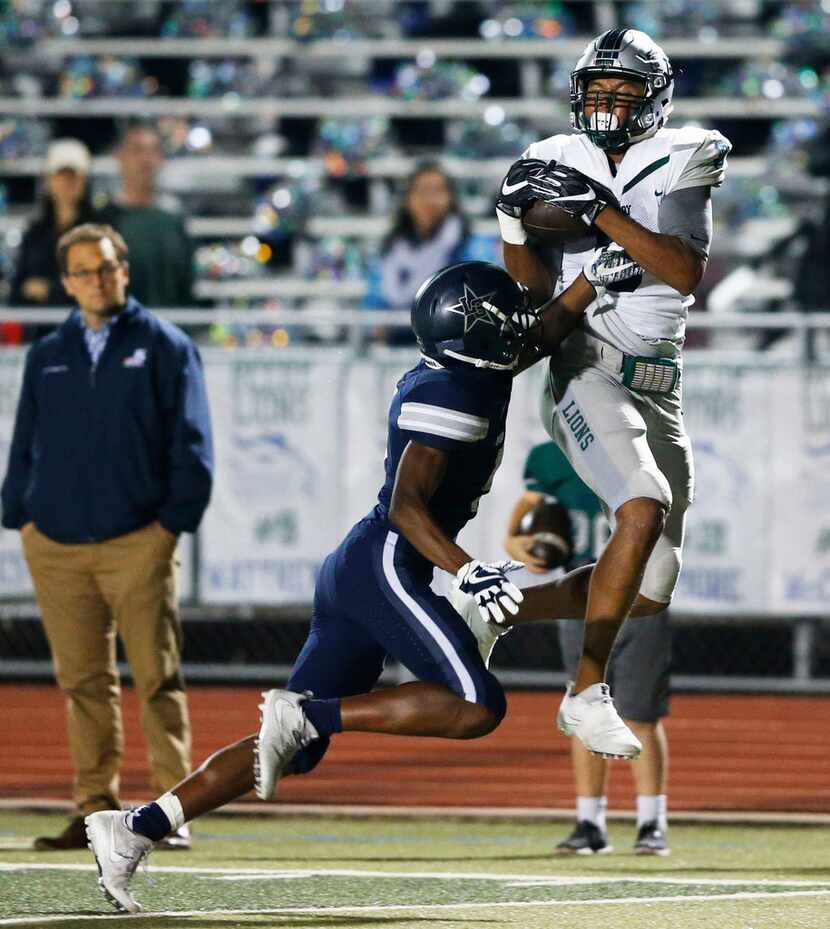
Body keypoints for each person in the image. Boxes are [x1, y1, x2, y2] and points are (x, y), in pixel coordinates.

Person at [82, 253, 642, 914]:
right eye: (502, 318)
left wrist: (588, 283)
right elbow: (408, 506)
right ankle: (306, 714)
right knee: (475, 704)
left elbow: (536, 334)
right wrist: (467, 568)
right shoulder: (453, 393)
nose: (518, 325)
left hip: (365, 566)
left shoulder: (472, 366)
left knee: (296, 750)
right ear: (476, 332)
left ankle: (134, 827)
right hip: (386, 561)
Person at [486, 27, 730, 761]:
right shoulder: (549, 158)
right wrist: (510, 222)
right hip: (584, 364)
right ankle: (586, 691)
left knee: (653, 582)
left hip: (659, 384)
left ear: (654, 98)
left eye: (624, 92)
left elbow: (682, 270)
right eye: (598, 91)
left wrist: (600, 214)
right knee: (642, 503)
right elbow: (531, 291)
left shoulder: (693, 149)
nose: (608, 104)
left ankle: (491, 609)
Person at [0, 222, 213, 851]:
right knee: (82, 684)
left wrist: (168, 526)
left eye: (108, 267)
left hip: (137, 541)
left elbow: (193, 447)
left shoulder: (168, 346)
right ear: (67, 282)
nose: (99, 280)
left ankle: (173, 811)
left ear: (125, 269)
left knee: (157, 678)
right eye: (85, 272)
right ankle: (95, 809)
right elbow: (23, 444)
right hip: (56, 545)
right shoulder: (48, 354)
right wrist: (21, 515)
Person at [505, 441, 670, 855]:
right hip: (580, 600)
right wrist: (522, 547)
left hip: (640, 599)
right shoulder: (548, 456)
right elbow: (519, 527)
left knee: (640, 715)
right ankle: (589, 822)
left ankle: (652, 822)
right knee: (584, 709)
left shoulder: (644, 445)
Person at [363, 161, 478, 344]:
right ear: (408, 199)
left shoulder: (469, 246)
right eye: (422, 191)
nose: (429, 200)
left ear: (451, 198)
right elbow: (375, 298)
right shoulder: (392, 247)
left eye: (437, 191)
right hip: (395, 343)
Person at [96, 122, 194, 309]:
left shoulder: (173, 223)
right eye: (137, 150)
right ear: (120, 157)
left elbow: (185, 287)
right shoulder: (102, 221)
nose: (145, 160)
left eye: (153, 151)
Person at [10, 138, 97, 319]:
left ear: (84, 181)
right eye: (60, 175)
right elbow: (17, 291)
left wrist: (47, 290)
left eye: (73, 176)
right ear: (48, 181)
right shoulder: (35, 232)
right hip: (40, 333)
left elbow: (98, 288)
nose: (66, 183)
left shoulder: (98, 232)